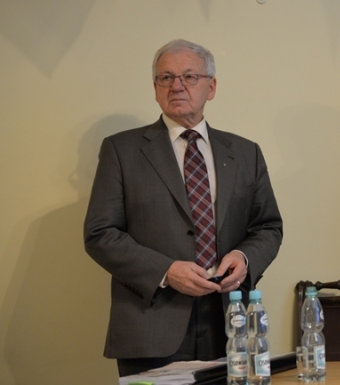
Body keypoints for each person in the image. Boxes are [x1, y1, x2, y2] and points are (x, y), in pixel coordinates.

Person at [84, 39, 283, 376]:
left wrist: (244, 258)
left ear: (211, 87)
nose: (177, 86)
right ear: (155, 88)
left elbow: (267, 227)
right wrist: (166, 271)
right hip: (150, 325)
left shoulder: (245, 153)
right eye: (166, 77)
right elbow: (100, 234)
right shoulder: (121, 150)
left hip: (229, 323)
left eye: (189, 77)